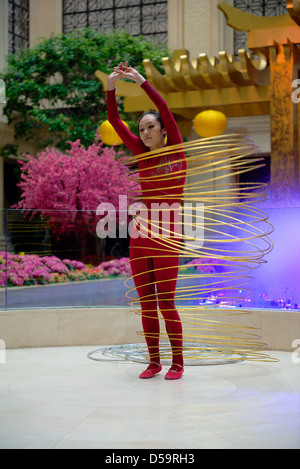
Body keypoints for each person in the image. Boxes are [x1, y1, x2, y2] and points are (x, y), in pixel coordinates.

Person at [106, 62, 187, 380]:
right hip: (140, 236)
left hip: (168, 236)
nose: (145, 132)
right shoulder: (140, 154)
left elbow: (164, 106)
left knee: (166, 302)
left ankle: (177, 362)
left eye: (150, 127)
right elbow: (114, 120)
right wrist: (111, 86)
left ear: (164, 130)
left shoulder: (177, 151)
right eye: (141, 129)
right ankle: (153, 361)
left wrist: (140, 80)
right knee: (147, 303)